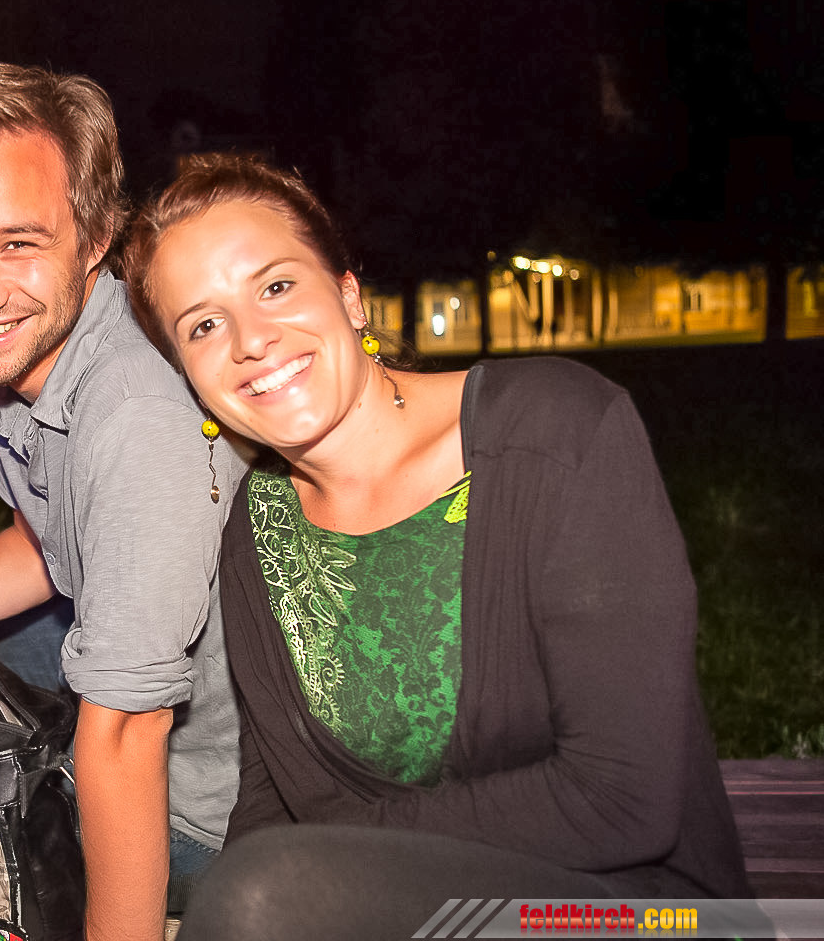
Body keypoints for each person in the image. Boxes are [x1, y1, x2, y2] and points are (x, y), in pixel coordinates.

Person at [120, 154, 750, 939]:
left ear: (350, 296)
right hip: (381, 903)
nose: (251, 339)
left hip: (631, 910)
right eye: (204, 325)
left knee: (264, 893)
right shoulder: (259, 528)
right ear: (188, 374)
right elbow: (268, 799)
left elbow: (622, 798)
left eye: (275, 287)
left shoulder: (554, 433)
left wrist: (328, 854)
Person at [0, 62, 247, 937]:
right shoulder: (25, 346)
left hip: (200, 815)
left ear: (96, 236)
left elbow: (128, 735)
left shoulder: (132, 411)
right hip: (123, 702)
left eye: (18, 243)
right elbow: (42, 543)